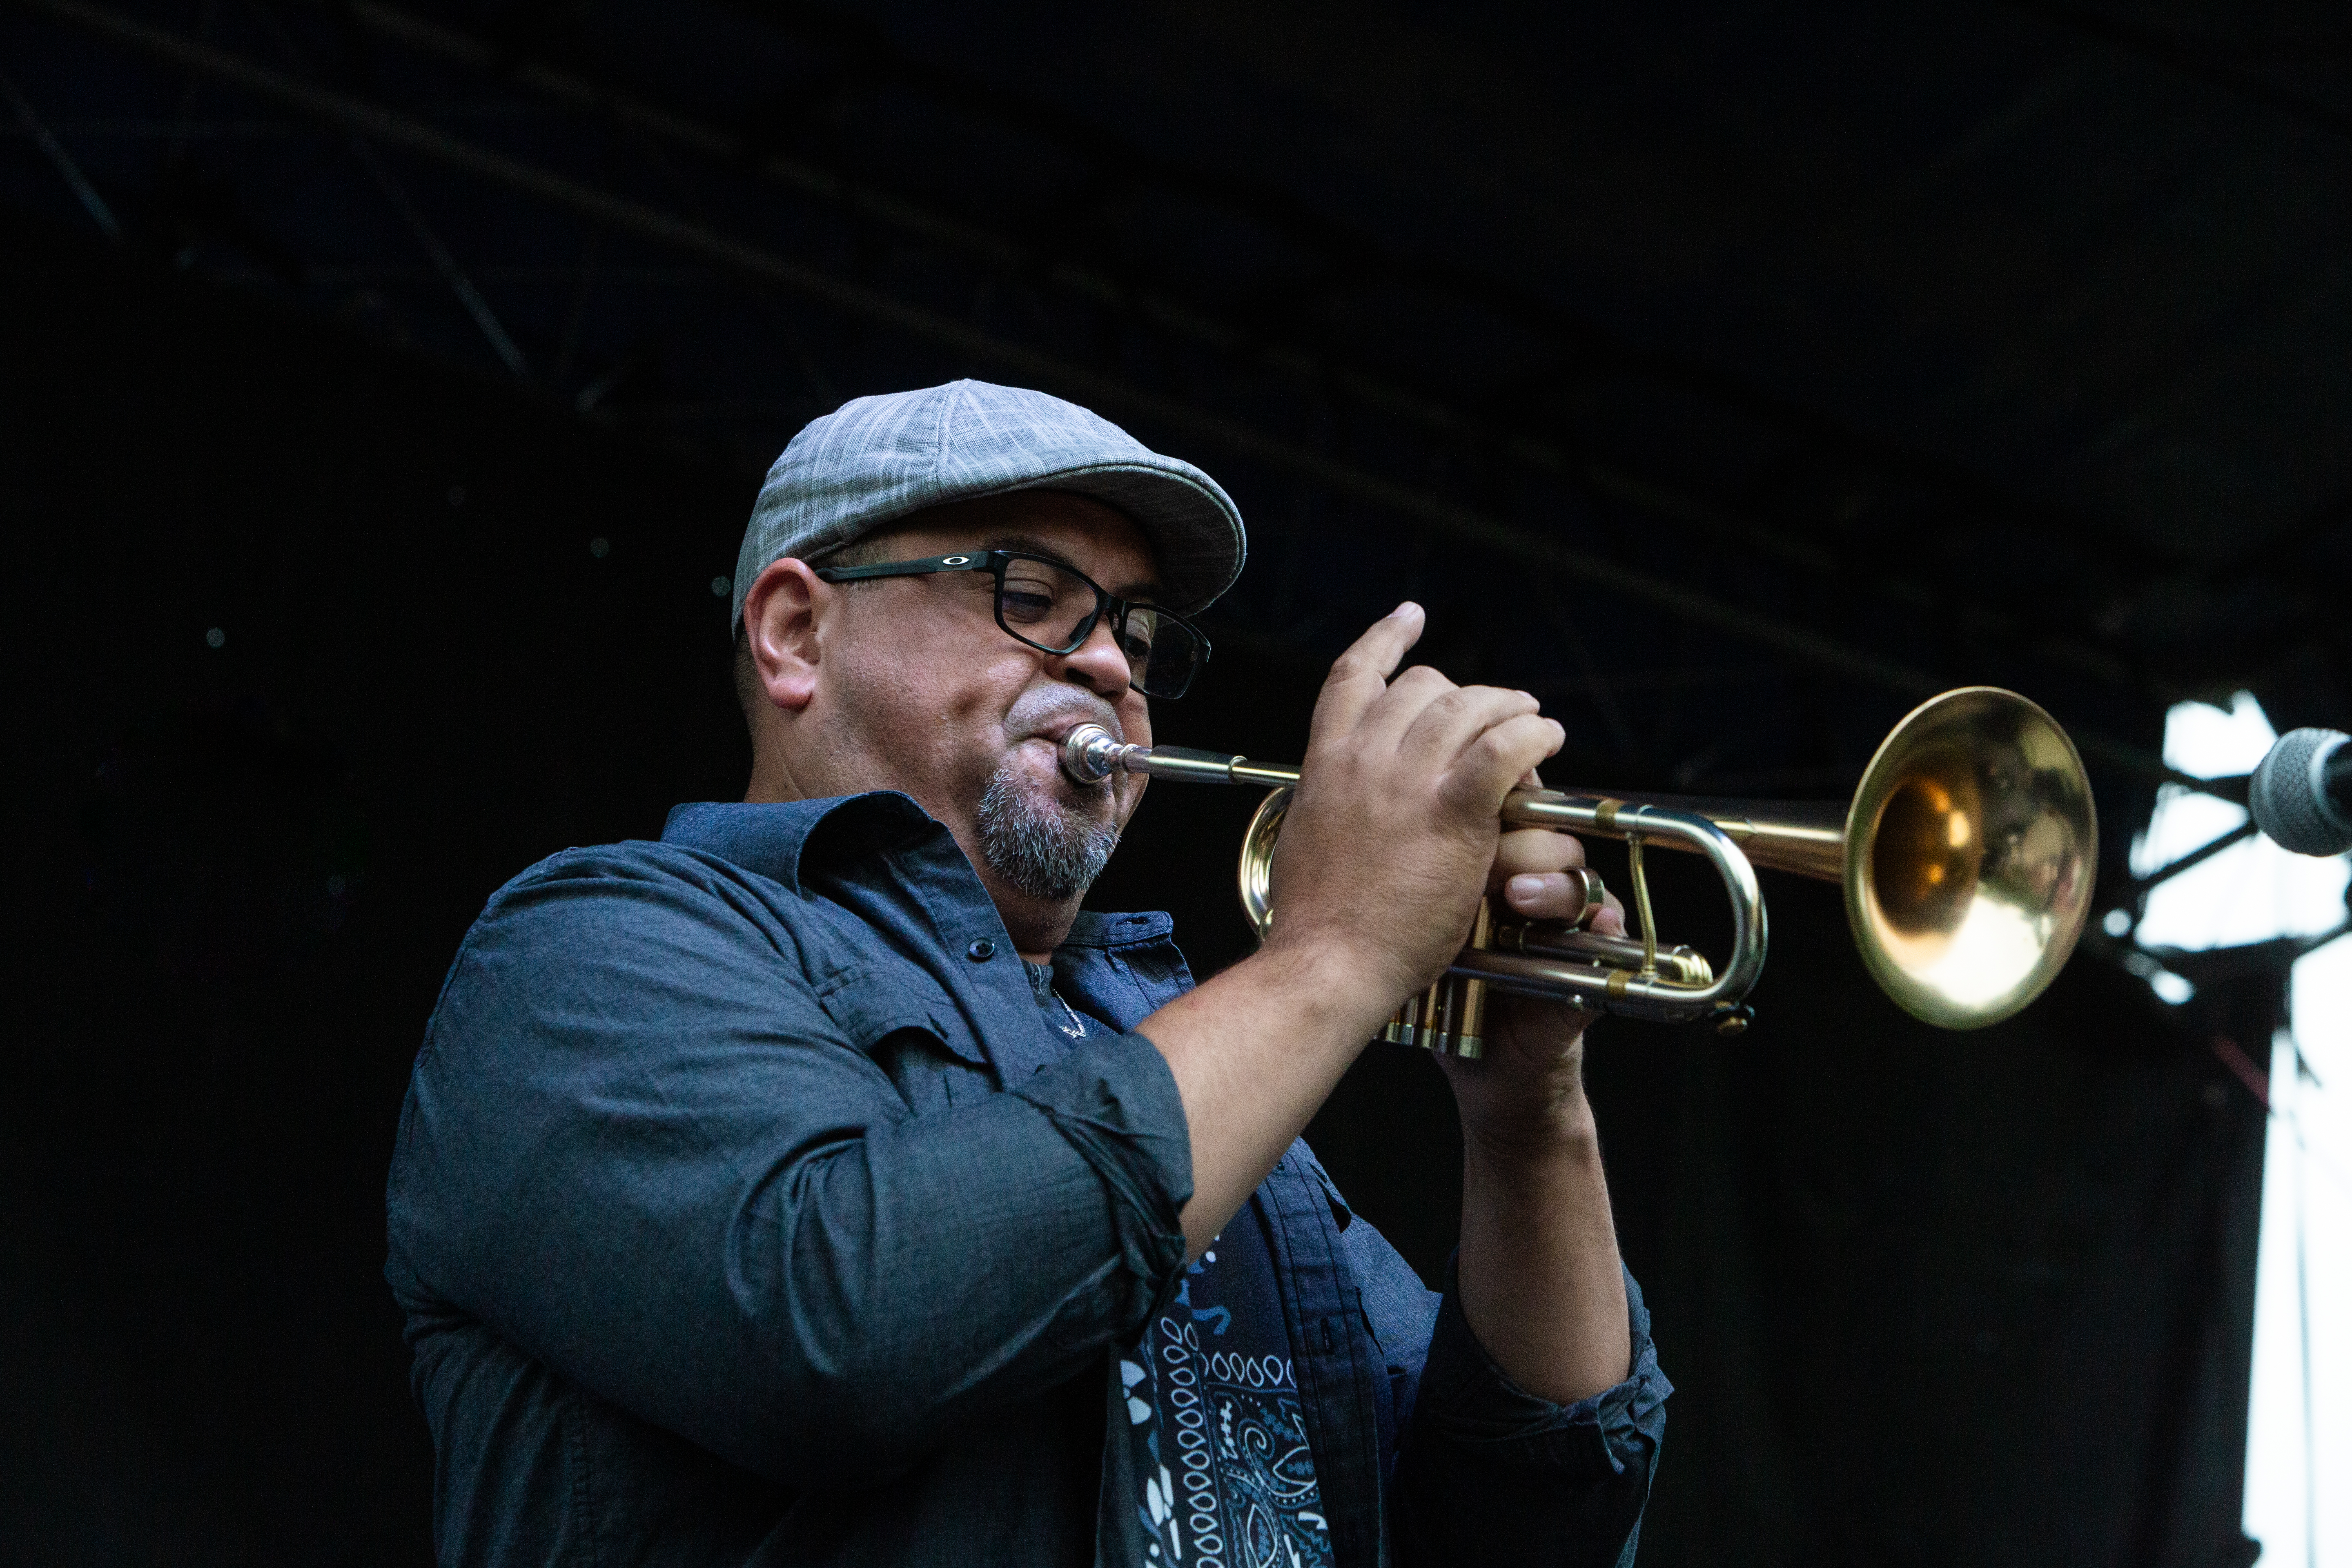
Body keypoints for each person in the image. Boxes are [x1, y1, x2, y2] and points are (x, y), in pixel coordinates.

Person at [385, 380, 1670, 1568]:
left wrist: (1530, 1114)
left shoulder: (1183, 1054)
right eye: (1030, 592)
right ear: (793, 633)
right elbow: (845, 1328)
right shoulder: (595, 948)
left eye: (1137, 629)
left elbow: (1526, 1524)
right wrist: (1339, 954)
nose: (1111, 663)